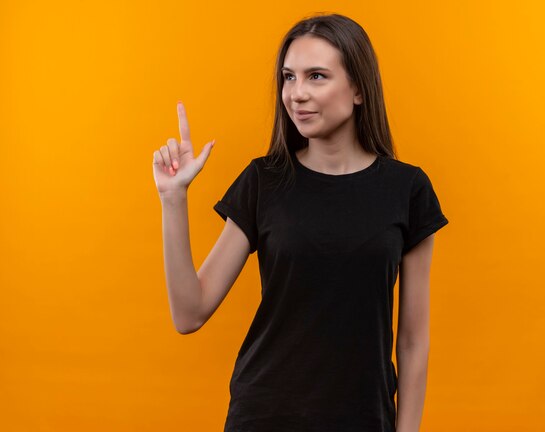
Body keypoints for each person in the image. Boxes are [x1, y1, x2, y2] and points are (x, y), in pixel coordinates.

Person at [153, 12, 449, 432]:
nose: (296, 94)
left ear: (360, 89)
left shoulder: (408, 189)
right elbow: (189, 313)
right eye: (289, 77)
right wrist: (172, 199)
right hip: (264, 415)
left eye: (316, 77)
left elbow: (414, 341)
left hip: (365, 419)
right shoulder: (264, 181)